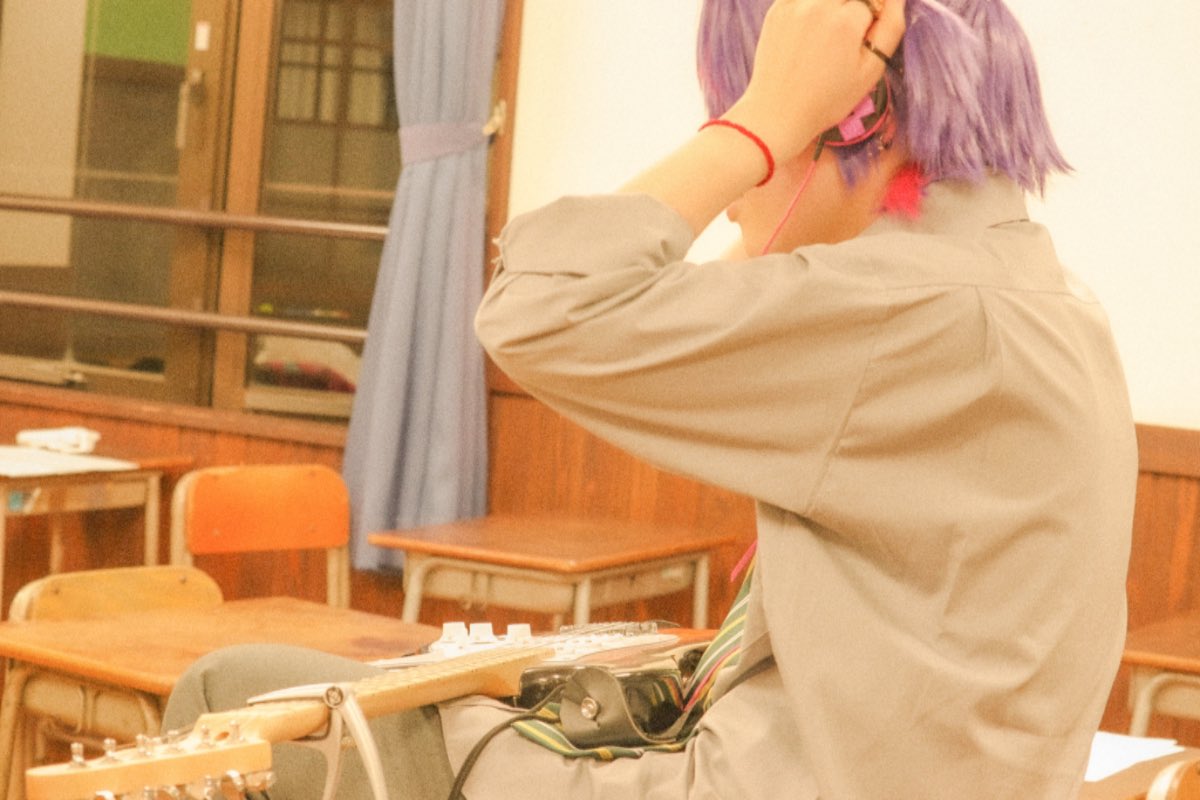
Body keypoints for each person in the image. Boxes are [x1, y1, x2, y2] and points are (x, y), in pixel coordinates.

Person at [164, 0, 1136, 797]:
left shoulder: (892, 311)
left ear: (851, 118)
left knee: (230, 689)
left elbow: (537, 306)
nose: (745, 191)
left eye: (755, 119)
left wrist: (755, 127)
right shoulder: (1047, 305)